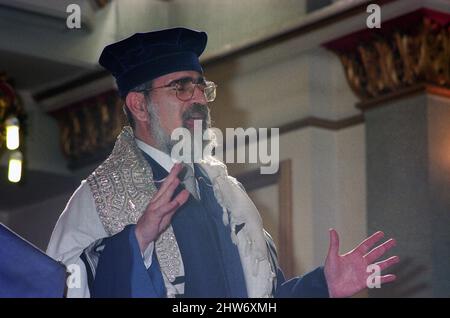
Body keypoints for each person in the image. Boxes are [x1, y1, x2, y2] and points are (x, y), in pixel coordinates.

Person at [46, 27, 398, 298]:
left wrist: (322, 286)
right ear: (139, 105)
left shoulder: (229, 197)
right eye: (182, 88)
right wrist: (135, 242)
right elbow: (56, 287)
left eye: (202, 88)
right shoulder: (98, 199)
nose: (199, 99)